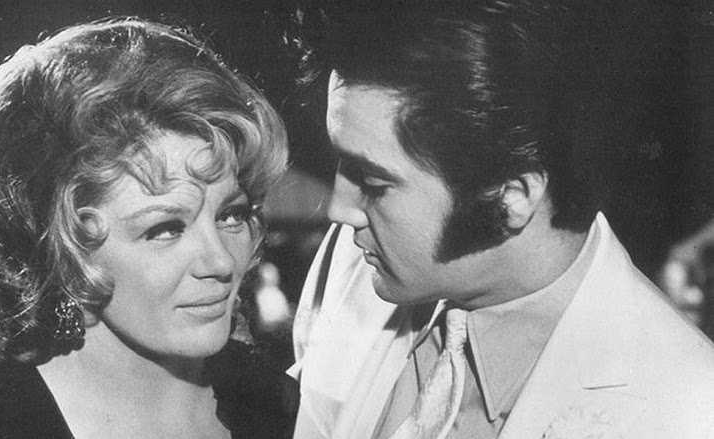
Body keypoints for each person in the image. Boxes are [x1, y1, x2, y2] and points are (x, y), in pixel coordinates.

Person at [287, 1, 714, 438]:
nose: (338, 210)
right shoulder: (355, 262)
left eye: (374, 183)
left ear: (512, 197)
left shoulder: (688, 410)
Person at [0, 18, 295, 439]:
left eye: (231, 215)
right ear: (65, 248)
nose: (221, 262)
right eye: (165, 229)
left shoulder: (282, 406)